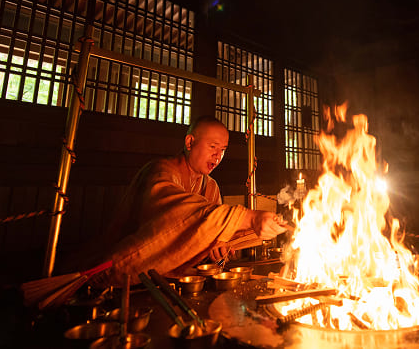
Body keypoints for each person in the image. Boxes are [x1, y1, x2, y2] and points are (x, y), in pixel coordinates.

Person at [78, 115, 287, 285]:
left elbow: (212, 229)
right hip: (127, 273)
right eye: (213, 147)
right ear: (190, 142)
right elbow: (178, 216)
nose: (217, 156)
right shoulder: (159, 172)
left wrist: (218, 247)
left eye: (223, 150)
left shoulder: (211, 186)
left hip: (182, 278)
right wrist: (248, 218)